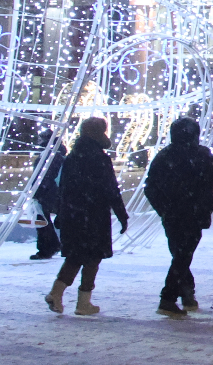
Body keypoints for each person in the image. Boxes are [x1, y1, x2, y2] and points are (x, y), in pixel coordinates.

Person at [46, 117, 130, 316]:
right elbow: (111, 189)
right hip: (94, 215)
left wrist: (61, 212)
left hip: (73, 214)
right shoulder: (99, 158)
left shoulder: (72, 157)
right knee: (92, 257)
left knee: (76, 256)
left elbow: (63, 188)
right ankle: (83, 301)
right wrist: (121, 214)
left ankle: (57, 292)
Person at [144, 116, 213, 317]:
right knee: (183, 256)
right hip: (191, 212)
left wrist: (164, 207)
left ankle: (186, 293)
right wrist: (202, 207)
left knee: (180, 255)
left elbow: (151, 187)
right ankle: (169, 298)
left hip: (175, 214)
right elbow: (208, 185)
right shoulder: (202, 156)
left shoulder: (165, 156)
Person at [30, 131, 66, 260]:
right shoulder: (57, 155)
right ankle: (54, 245)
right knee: (47, 220)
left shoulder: (49, 156)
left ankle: (48, 247)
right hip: (53, 191)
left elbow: (44, 176)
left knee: (42, 220)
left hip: (47, 192)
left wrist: (37, 191)